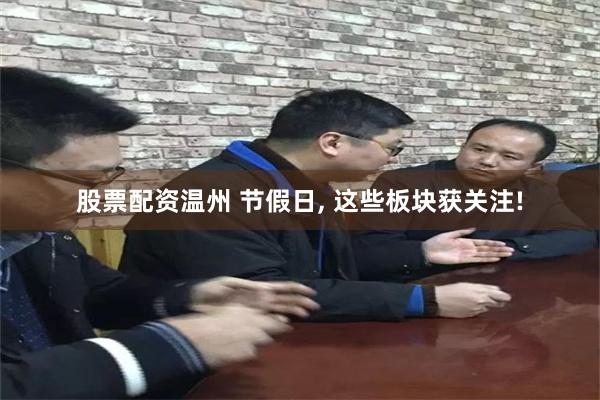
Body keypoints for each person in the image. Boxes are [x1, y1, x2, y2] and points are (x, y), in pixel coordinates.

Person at [0, 67, 319, 399]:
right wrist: (167, 346)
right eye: (88, 180)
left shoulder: (40, 235)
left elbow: (99, 293)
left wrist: (190, 296)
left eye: (108, 177)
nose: (100, 197)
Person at [120, 89, 512, 322]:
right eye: (392, 148)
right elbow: (262, 295)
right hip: (204, 369)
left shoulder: (305, 184)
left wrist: (421, 253)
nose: (391, 159)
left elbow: (326, 269)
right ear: (332, 143)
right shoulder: (212, 195)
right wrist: (423, 301)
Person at [351, 118, 596, 282]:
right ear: (464, 146)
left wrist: (498, 250)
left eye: (509, 157)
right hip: (417, 287)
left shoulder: (539, 192)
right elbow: (369, 249)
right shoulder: (402, 183)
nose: (488, 161)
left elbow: (578, 236)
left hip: (502, 284)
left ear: (532, 166)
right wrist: (425, 252)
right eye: (479, 149)